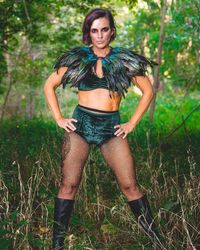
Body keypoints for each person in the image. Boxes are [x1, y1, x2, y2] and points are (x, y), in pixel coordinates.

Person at [44, 8, 164, 250]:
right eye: (94, 30)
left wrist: (132, 123)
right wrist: (58, 117)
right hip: (81, 125)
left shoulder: (124, 59)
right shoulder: (77, 58)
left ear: (112, 31)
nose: (99, 35)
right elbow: (49, 85)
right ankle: (56, 245)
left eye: (104, 29)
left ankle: (158, 241)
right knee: (69, 184)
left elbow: (149, 90)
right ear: (89, 33)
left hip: (111, 127)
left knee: (130, 185)